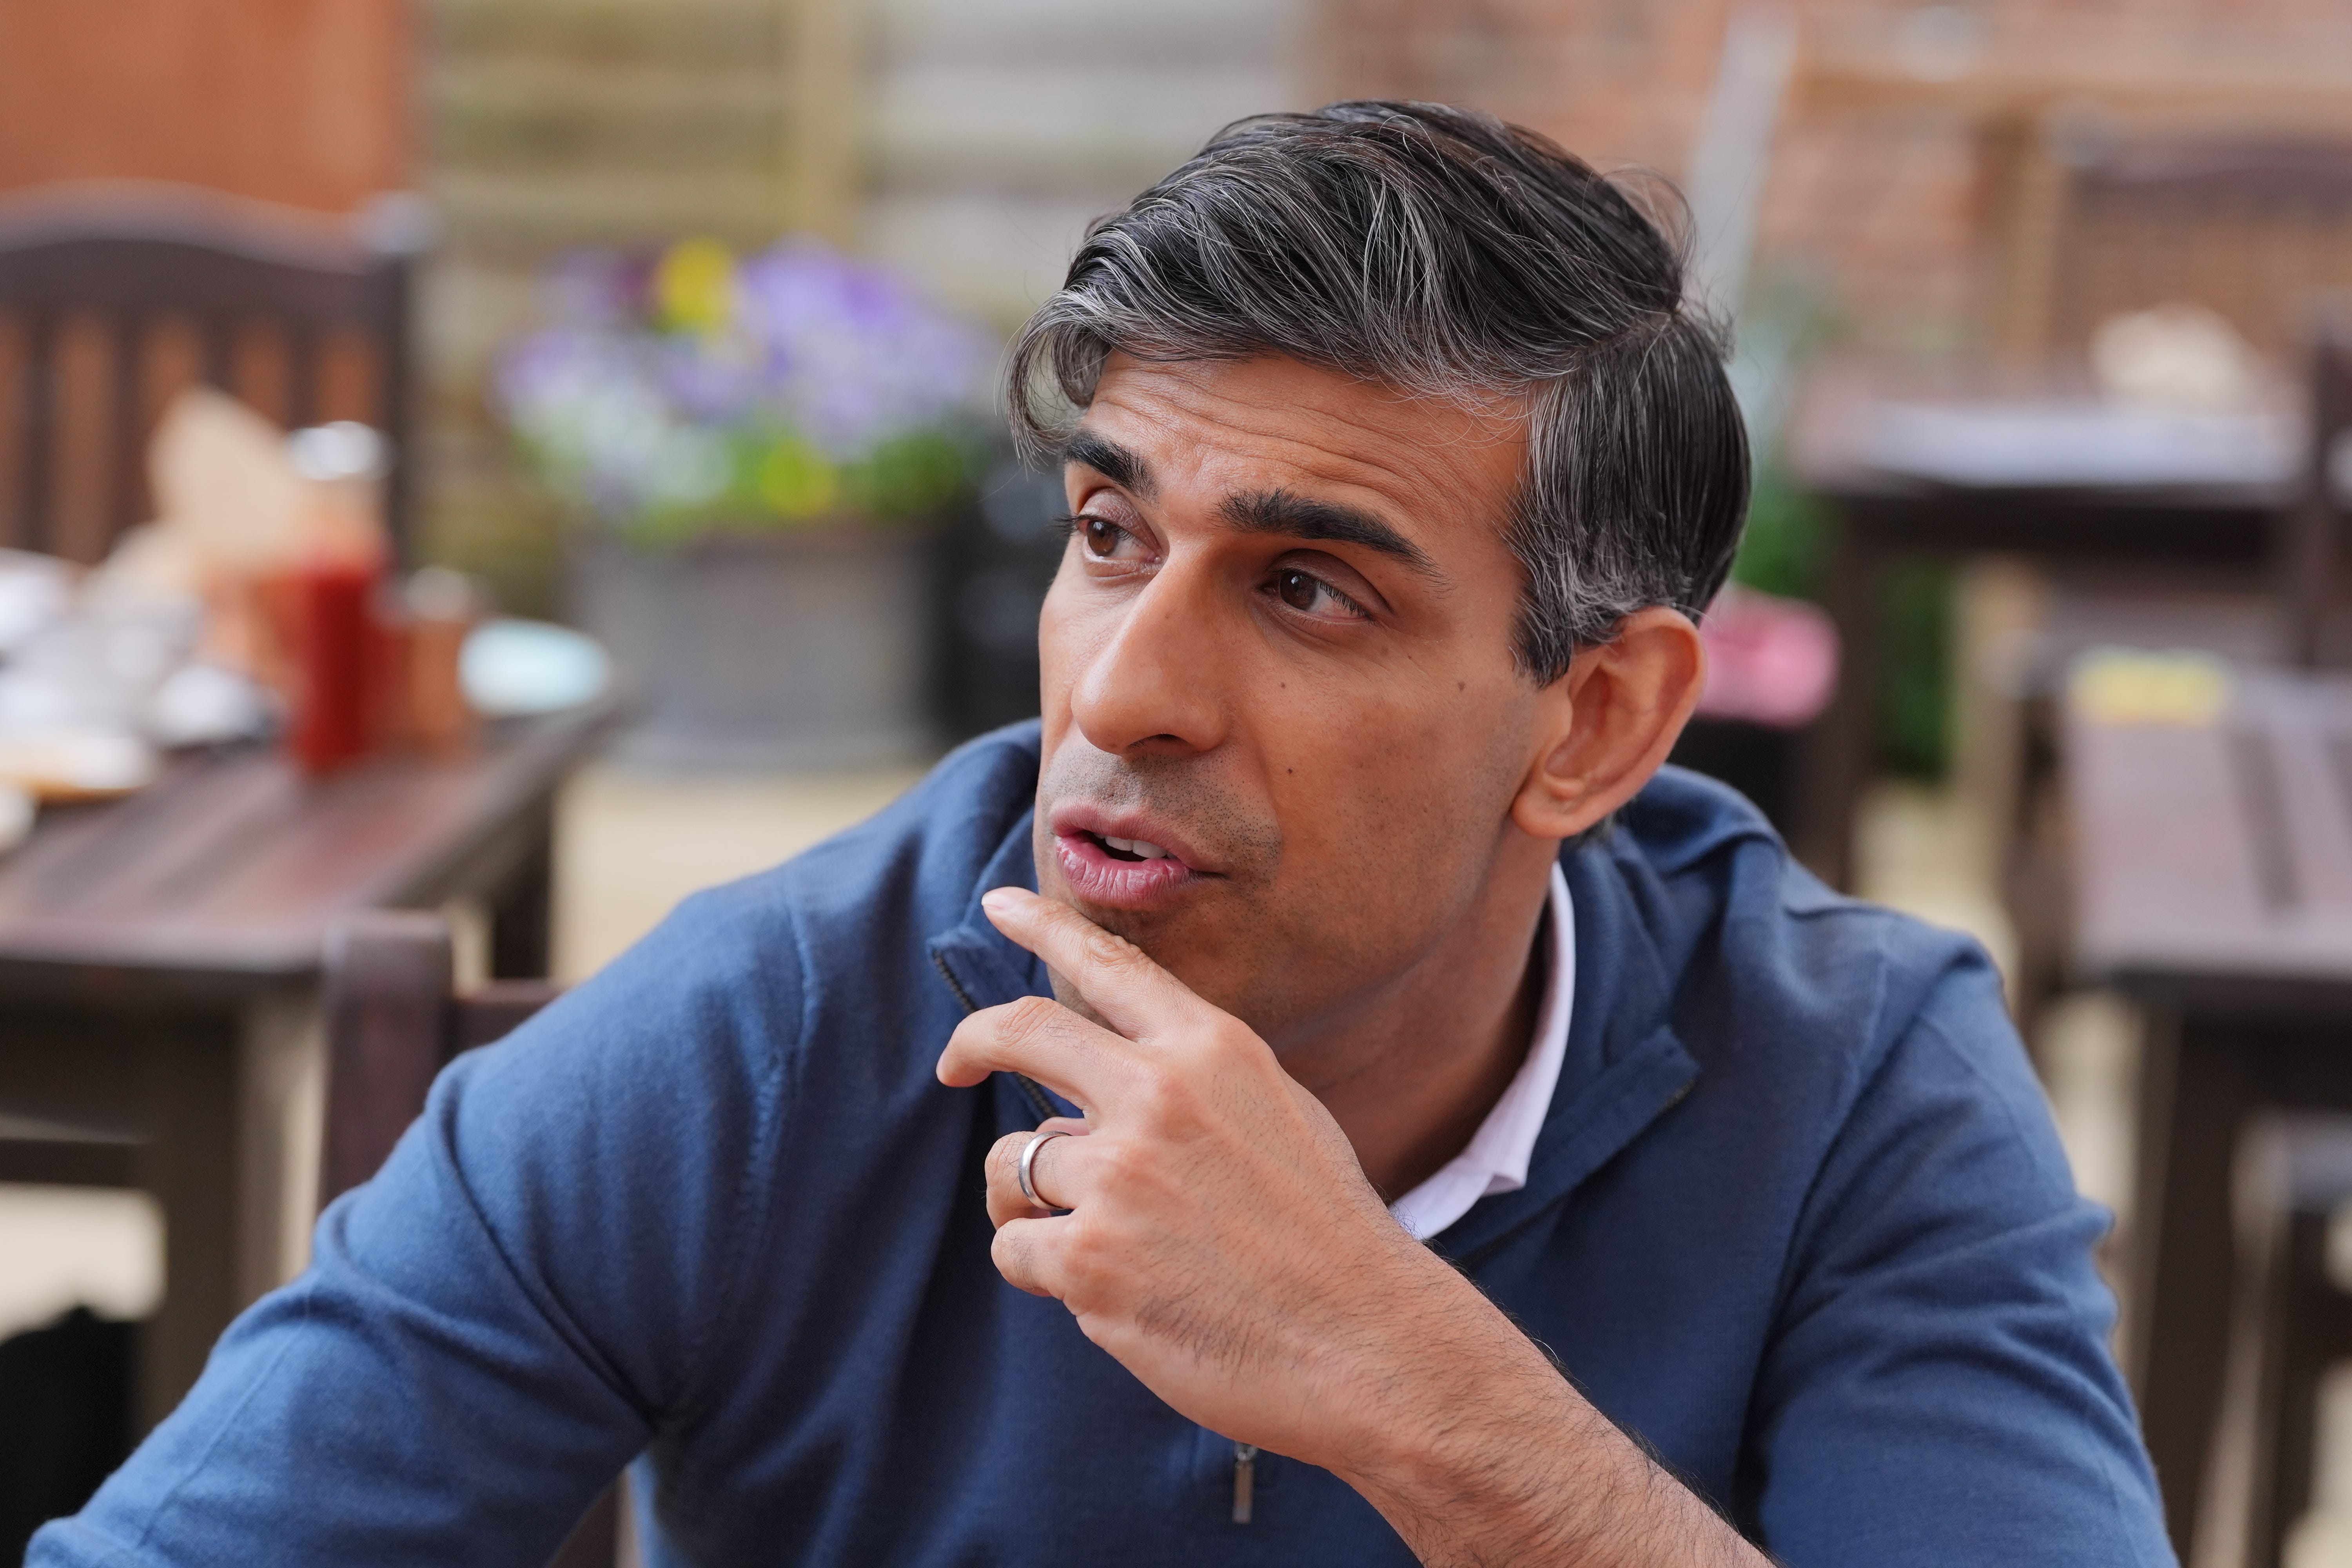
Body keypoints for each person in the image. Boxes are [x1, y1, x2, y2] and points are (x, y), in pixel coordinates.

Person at [34, 102, 2172, 1567]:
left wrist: (1407, 1386)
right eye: (1106, 532)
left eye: (1310, 585)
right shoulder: (759, 1041)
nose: (1121, 688)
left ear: (1594, 721)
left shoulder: (1859, 1083)